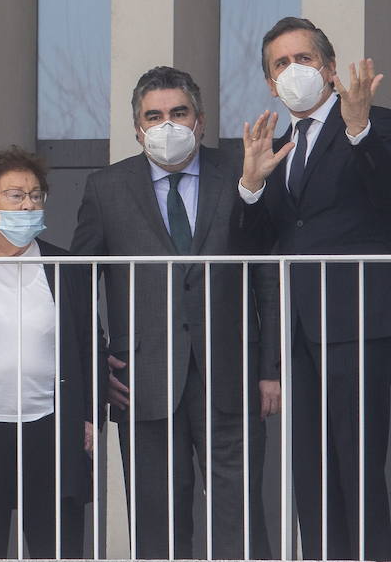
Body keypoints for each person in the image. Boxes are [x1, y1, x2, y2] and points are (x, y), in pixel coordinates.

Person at [71, 66, 280, 560]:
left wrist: (269, 368)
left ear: (201, 121)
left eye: (179, 113)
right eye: (155, 115)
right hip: (141, 380)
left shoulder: (241, 172)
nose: (168, 124)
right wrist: (97, 363)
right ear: (138, 128)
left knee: (241, 522)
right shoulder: (106, 187)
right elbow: (78, 282)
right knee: (158, 527)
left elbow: (267, 276)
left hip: (233, 376)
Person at [236, 16, 391, 562]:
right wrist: (250, 185)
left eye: (304, 59)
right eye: (280, 64)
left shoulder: (373, 122)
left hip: (358, 318)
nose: (293, 71)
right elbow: (254, 247)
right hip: (299, 330)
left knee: (358, 469)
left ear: (331, 69)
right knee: (308, 474)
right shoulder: (278, 148)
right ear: (269, 83)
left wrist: (357, 129)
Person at [0, 147, 97, 559]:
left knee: (57, 548)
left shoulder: (61, 264)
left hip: (50, 427)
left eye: (36, 194)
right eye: (15, 195)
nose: (29, 203)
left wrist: (89, 416)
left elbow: (88, 342)